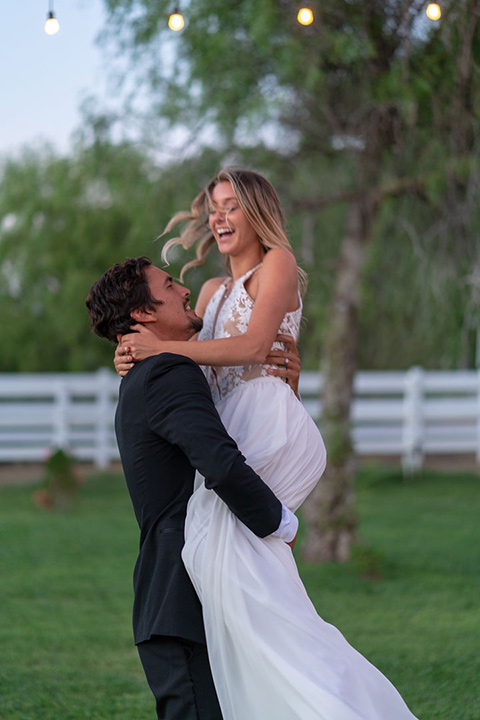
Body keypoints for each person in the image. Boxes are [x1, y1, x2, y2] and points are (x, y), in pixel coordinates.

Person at [115, 169, 419, 720]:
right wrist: (136, 356)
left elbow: (254, 345)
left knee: (221, 550)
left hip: (267, 424)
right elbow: (192, 368)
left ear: (257, 212)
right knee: (239, 579)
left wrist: (161, 350)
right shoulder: (209, 292)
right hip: (233, 425)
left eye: (232, 205)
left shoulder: (275, 264)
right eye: (214, 207)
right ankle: (272, 684)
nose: (219, 217)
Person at [86, 256, 300, 720]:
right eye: (168, 285)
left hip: (186, 596)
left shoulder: (151, 372)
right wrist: (280, 522)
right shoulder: (167, 373)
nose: (185, 290)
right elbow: (220, 464)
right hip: (181, 598)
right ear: (143, 314)